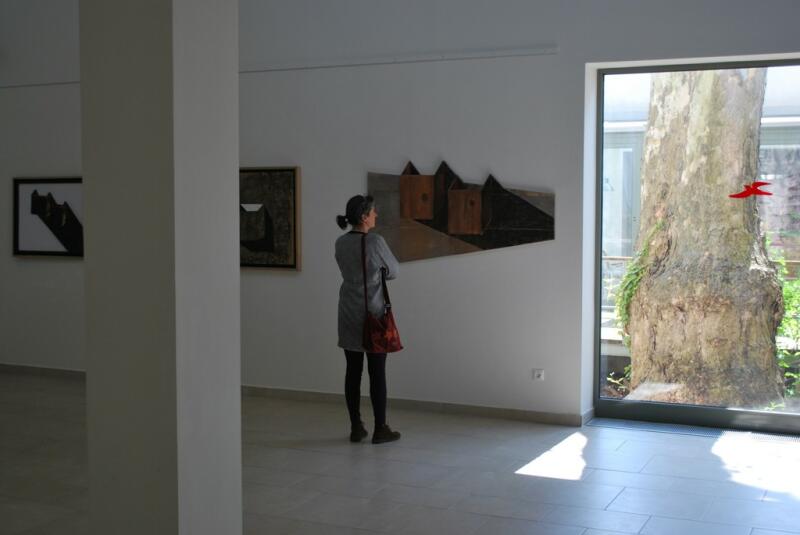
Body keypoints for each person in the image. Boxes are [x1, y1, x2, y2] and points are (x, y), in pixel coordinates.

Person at [335, 195, 402, 444]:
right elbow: (393, 271)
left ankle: (356, 427)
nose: (376, 215)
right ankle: (380, 428)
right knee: (377, 372)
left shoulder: (341, 242)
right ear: (364, 217)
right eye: (373, 212)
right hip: (373, 314)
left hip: (347, 311)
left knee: (352, 372)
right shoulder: (375, 241)